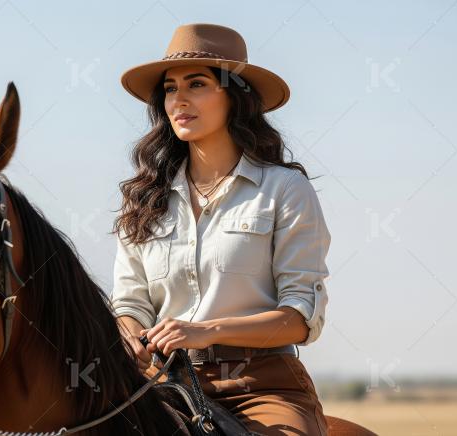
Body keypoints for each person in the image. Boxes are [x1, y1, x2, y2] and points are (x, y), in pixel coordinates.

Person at [111, 23, 331, 435]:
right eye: (171, 88)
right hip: (164, 385)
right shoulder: (143, 199)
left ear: (235, 96)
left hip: (262, 385)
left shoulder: (285, 189)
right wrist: (132, 336)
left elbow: (300, 317)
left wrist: (202, 330)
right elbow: (129, 302)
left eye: (197, 84)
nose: (179, 99)